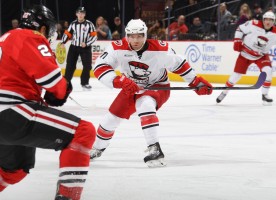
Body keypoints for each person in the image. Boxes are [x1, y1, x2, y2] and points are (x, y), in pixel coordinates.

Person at [0, 5, 96, 200]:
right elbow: (55, 83)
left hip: (8, 113)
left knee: (14, 169)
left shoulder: (5, 38)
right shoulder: (30, 37)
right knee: (83, 132)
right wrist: (62, 90)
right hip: (11, 113)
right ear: (43, 28)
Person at [90, 19, 212, 167]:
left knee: (145, 104)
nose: (135, 40)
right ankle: (97, 148)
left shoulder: (159, 49)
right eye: (132, 36)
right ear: (126, 35)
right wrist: (118, 81)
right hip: (131, 87)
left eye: (139, 36)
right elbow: (100, 67)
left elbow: (179, 64)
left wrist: (195, 81)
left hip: (157, 86)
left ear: (145, 35)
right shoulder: (116, 48)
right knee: (110, 119)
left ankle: (155, 148)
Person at [216, 11, 276, 105]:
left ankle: (265, 95)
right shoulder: (253, 24)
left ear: (274, 21)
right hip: (245, 54)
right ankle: (224, 92)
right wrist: (237, 40)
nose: (268, 22)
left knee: (268, 70)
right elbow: (240, 29)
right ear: (263, 20)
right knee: (235, 76)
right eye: (266, 19)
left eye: (271, 20)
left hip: (261, 56)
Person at [61, 7, 97, 91]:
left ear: (84, 14)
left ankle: (85, 83)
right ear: (76, 14)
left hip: (86, 48)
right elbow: (68, 34)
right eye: (79, 13)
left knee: (87, 66)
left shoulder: (89, 24)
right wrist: (63, 42)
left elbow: (94, 36)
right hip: (74, 47)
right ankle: (66, 82)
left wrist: (87, 43)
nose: (80, 15)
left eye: (82, 13)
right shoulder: (73, 24)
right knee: (70, 65)